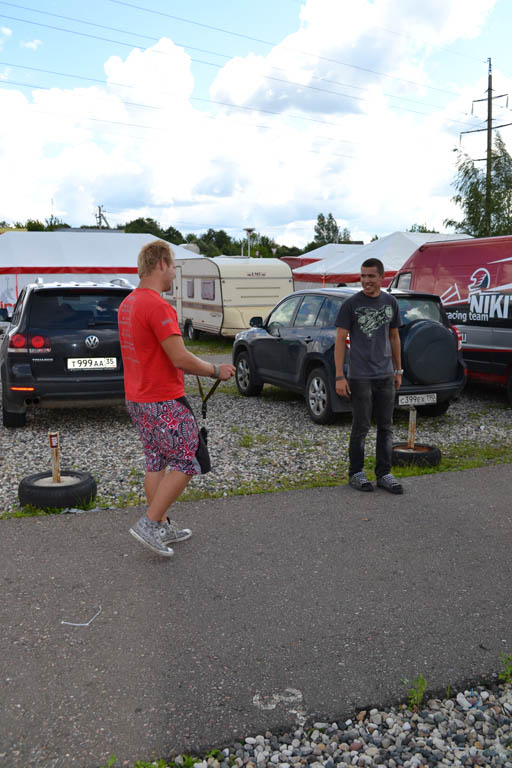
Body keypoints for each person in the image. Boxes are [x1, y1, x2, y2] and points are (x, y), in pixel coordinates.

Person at [118, 240, 235, 556]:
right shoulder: (158, 306)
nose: (174, 274)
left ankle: (160, 525)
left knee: (156, 460)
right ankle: (149, 523)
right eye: (172, 267)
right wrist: (215, 370)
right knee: (189, 457)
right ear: (161, 264)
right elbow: (179, 358)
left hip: (137, 398)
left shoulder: (128, 303)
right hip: (163, 399)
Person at [334, 258, 404, 494]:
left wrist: (398, 370)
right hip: (360, 376)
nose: (366, 280)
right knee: (361, 426)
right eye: (363, 276)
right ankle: (356, 473)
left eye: (371, 276)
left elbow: (394, 337)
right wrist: (339, 376)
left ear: (381, 277)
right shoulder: (351, 304)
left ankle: (384, 474)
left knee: (386, 426)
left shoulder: (390, 302)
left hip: (385, 375)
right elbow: (340, 340)